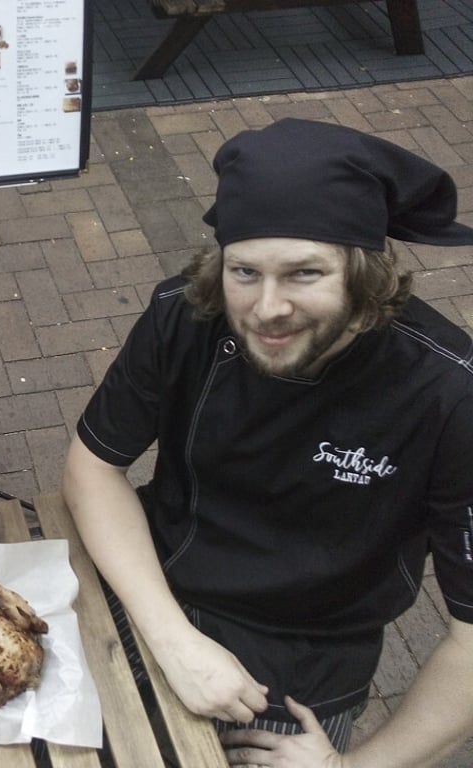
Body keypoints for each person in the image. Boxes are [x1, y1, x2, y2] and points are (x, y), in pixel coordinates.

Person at [62, 118, 473, 767]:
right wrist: (173, 640)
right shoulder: (186, 316)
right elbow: (94, 467)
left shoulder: (451, 396)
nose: (266, 308)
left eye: (305, 274)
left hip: (304, 659)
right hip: (153, 588)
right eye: (245, 271)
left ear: (363, 276)